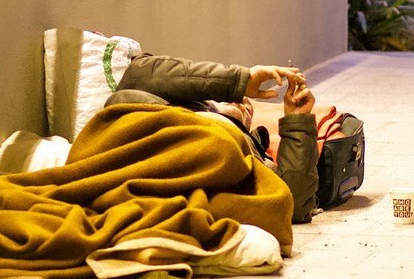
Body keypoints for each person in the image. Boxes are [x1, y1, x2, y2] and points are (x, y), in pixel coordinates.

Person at [103, 54, 319, 223]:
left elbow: (293, 201)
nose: (242, 104)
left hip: (187, 182)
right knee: (125, 99)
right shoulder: (160, 106)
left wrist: (298, 120)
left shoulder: (249, 152)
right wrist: (241, 80)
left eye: (247, 110)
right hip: (145, 156)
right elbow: (138, 75)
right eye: (239, 99)